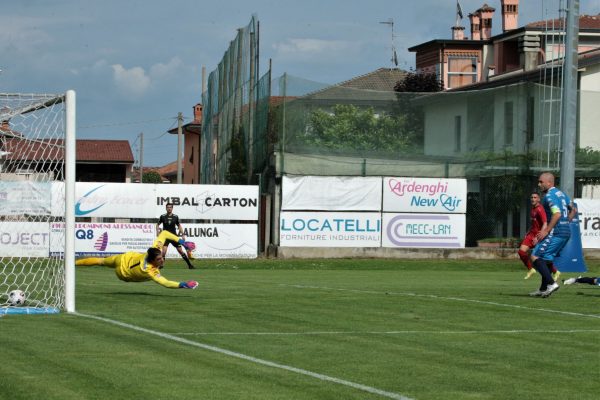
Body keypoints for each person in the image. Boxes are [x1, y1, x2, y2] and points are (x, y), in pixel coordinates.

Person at [75, 230, 198, 289]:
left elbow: (165, 233)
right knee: (100, 261)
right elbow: (165, 283)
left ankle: (73, 263)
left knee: (101, 261)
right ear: (153, 261)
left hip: (123, 259)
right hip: (122, 273)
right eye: (159, 259)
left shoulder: (153, 250)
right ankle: (73, 263)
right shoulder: (151, 271)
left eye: (161, 257)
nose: (162, 260)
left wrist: (183, 242)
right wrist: (183, 284)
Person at [529, 172, 577, 298]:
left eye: (541, 182)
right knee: (547, 259)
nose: (539, 184)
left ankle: (551, 283)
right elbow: (574, 210)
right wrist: (566, 223)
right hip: (565, 232)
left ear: (549, 182)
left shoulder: (549, 196)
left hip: (556, 231)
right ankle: (543, 288)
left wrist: (546, 230)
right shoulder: (562, 194)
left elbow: (557, 214)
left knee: (534, 256)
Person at [518, 192, 560, 281]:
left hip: (538, 236)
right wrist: (528, 232)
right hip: (531, 234)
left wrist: (539, 237)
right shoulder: (533, 209)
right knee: (521, 252)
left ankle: (555, 271)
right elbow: (534, 223)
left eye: (535, 197)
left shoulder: (540, 209)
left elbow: (545, 223)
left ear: (538, 199)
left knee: (541, 258)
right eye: (532, 197)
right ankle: (531, 269)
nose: (533, 199)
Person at [157, 202, 195, 269]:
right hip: (166, 237)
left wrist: (183, 234)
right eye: (168, 207)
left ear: (172, 208)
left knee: (180, 251)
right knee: (163, 252)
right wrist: (157, 231)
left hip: (174, 237)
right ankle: (161, 265)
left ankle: (190, 265)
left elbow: (179, 225)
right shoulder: (162, 216)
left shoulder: (175, 217)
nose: (169, 208)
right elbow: (157, 224)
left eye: (170, 207)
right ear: (166, 208)